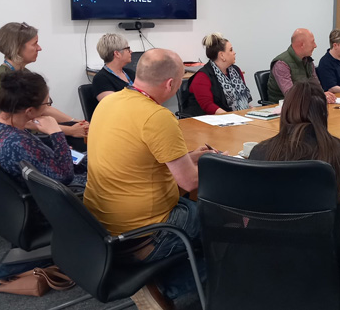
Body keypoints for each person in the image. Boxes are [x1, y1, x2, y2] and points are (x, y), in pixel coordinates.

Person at [83, 49, 216, 309]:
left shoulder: (108, 102)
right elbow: (189, 183)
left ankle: (161, 276)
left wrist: (190, 156)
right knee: (227, 227)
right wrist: (228, 166)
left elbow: (141, 159)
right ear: (170, 84)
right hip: (147, 232)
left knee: (199, 212)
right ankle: (164, 286)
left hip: (100, 224)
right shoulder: (158, 117)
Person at [0, 70, 85, 188]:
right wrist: (56, 134)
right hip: (50, 192)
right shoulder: (19, 144)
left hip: (4, 190)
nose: (48, 106)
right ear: (29, 111)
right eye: (47, 103)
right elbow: (65, 176)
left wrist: (57, 147)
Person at [0, 22, 88, 141]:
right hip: (10, 139)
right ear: (17, 48)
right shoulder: (1, 79)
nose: (39, 48)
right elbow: (17, 120)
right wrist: (70, 130)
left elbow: (44, 108)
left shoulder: (24, 73)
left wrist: (74, 121)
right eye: (35, 44)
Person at [249, 80, 340, 198]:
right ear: (324, 113)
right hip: (323, 216)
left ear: (286, 111)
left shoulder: (260, 152)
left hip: (274, 215)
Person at [186, 33, 252, 115]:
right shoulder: (202, 77)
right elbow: (208, 106)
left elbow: (243, 99)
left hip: (236, 118)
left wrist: (252, 111)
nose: (234, 53)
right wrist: (232, 117)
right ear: (221, 55)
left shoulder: (236, 71)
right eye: (231, 50)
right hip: (211, 122)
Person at [267, 28, 336, 103]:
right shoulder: (281, 64)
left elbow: (316, 86)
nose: (315, 45)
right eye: (312, 42)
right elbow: (291, 95)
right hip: (284, 108)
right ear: (302, 45)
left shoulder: (308, 61)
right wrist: (318, 97)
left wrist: (323, 95)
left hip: (306, 105)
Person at [92, 33, 134, 101]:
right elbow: (113, 104)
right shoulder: (100, 79)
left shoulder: (130, 73)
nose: (131, 52)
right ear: (117, 54)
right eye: (128, 49)